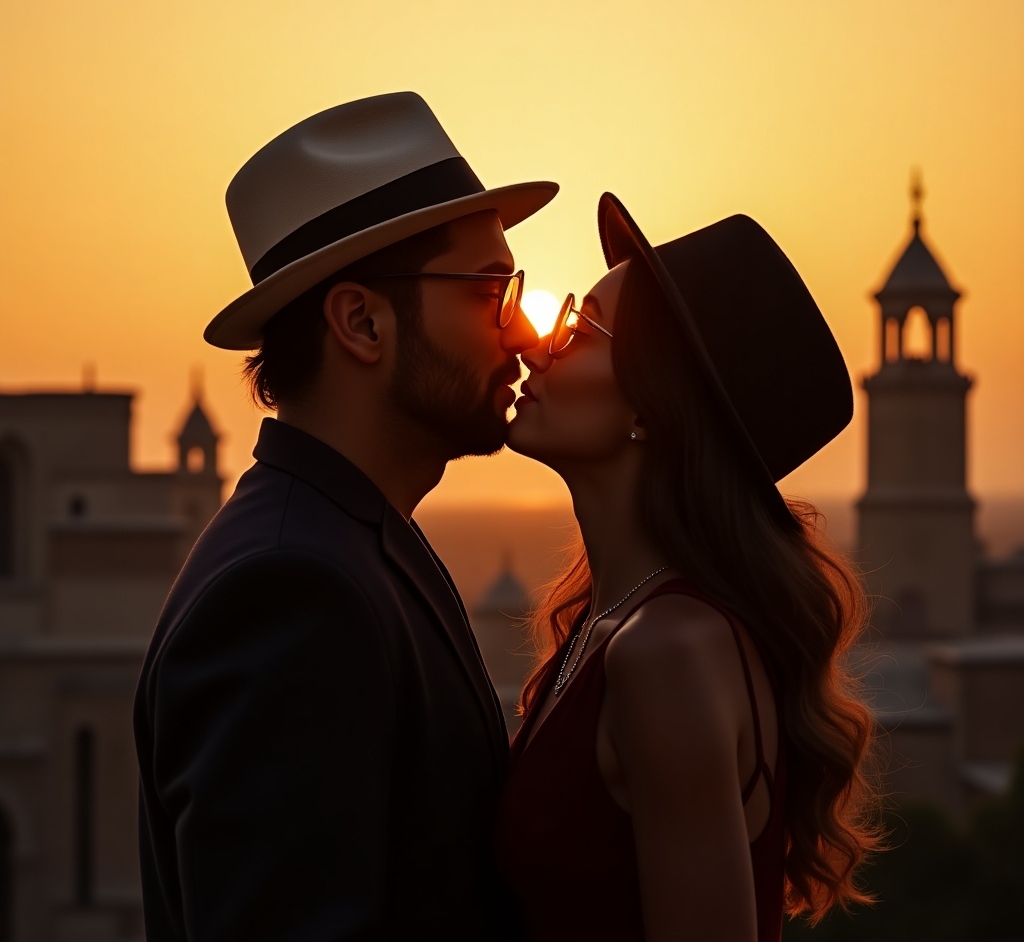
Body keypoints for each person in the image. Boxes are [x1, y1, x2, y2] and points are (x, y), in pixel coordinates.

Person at [133, 91, 556, 941]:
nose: (521, 333)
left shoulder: (350, 542)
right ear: (361, 322)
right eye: (488, 289)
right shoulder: (290, 588)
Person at [495, 193, 882, 942]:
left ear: (651, 407)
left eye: (580, 331)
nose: (538, 343)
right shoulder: (608, 631)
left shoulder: (668, 651)